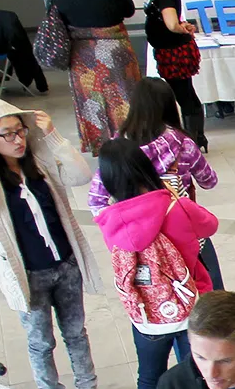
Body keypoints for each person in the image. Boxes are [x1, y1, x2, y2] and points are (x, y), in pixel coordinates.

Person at [0, 96, 104, 389]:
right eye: (7, 134)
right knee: (41, 341)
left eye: (20, 131)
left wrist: (53, 137)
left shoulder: (38, 160)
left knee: (76, 332)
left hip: (65, 264)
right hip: (28, 274)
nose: (18, 140)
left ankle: (88, 388)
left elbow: (80, 176)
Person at [92, 139, 218, 389]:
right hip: (192, 303)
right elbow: (210, 225)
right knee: (196, 370)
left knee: (150, 376)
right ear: (145, 167)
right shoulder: (175, 206)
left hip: (148, 314)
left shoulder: (110, 222)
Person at [90, 79, 223, 285]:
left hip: (137, 241)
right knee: (208, 289)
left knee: (150, 298)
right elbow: (209, 181)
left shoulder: (117, 151)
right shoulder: (183, 144)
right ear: (170, 106)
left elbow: (96, 201)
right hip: (182, 227)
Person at [50, 0, 140, 154]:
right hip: (115, 52)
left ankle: (101, 145)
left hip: (82, 56)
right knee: (123, 96)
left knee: (91, 100)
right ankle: (128, 139)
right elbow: (128, 11)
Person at [137, 0, 207, 150]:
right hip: (168, 50)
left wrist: (179, 27)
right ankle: (195, 138)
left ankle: (194, 139)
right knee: (184, 93)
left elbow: (170, 23)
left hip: (174, 52)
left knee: (184, 95)